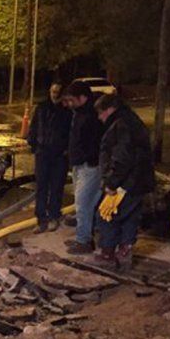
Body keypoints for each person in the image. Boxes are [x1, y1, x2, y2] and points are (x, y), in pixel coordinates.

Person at [94, 94, 155, 271]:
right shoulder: (133, 121)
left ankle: (107, 255)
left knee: (106, 214)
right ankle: (125, 252)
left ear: (110, 109)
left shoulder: (121, 126)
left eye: (100, 113)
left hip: (126, 183)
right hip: (139, 181)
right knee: (130, 216)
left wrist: (111, 182)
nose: (99, 118)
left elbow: (122, 158)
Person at [64, 80, 105, 255]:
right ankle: (86, 234)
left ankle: (84, 241)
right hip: (80, 164)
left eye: (72, 100)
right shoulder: (79, 113)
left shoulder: (92, 116)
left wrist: (88, 158)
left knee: (83, 204)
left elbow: (95, 143)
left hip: (90, 166)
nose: (69, 104)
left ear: (83, 98)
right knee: (84, 203)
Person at [27, 83, 72, 233]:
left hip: (59, 155)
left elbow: (71, 132)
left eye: (57, 92)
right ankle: (41, 219)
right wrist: (33, 145)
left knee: (56, 187)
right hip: (43, 153)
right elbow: (34, 127)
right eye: (53, 91)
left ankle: (53, 216)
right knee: (41, 187)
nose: (55, 94)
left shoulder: (67, 111)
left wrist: (66, 150)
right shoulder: (42, 108)